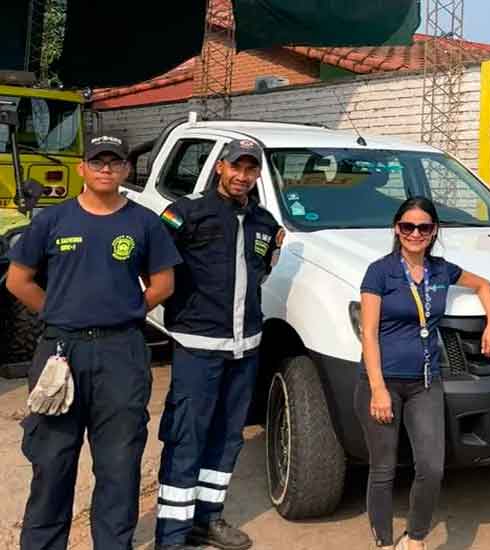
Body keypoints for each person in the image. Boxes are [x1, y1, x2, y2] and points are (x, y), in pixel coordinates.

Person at [6, 135, 180, 550]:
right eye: (97, 161)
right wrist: (58, 313)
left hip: (121, 352)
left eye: (114, 162)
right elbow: (18, 280)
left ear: (125, 171)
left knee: (119, 463)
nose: (106, 169)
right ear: (82, 168)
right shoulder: (52, 221)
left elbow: (164, 283)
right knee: (51, 461)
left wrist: (124, 311)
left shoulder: (144, 223)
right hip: (60, 353)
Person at [154, 139, 283, 550]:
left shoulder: (264, 223)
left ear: (258, 174)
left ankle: (207, 520)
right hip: (197, 345)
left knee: (228, 436)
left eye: (250, 169)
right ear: (219, 168)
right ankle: (171, 537)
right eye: (235, 167)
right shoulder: (185, 214)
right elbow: (153, 262)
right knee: (186, 436)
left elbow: (259, 273)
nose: (242, 176)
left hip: (245, 347)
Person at [357, 196, 490, 550]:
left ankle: (415, 537)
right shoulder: (380, 271)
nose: (415, 233)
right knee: (383, 469)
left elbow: (484, 285)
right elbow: (369, 333)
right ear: (397, 229)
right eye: (408, 226)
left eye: (423, 227)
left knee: (432, 467)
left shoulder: (441, 270)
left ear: (434, 231)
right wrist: (377, 389)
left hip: (425, 383)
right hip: (383, 382)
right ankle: (384, 543)